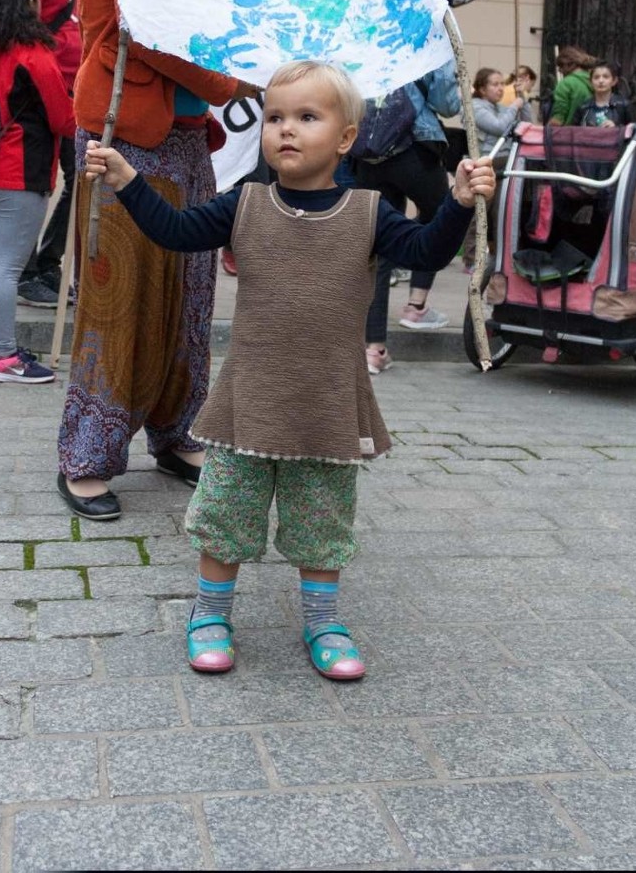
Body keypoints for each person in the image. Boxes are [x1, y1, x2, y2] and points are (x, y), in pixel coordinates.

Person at [86, 59, 495, 678]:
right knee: (224, 514)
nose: (286, 129)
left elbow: (424, 249)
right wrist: (127, 179)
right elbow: (172, 230)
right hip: (247, 403)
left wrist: (459, 202)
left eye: (307, 117)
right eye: (275, 116)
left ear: (346, 137)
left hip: (326, 404)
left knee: (321, 520)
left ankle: (324, 621)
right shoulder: (244, 205)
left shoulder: (367, 212)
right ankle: (209, 613)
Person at [56, 0, 255, 521]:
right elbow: (144, 28)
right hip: (127, 136)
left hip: (189, 140)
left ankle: (176, 433)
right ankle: (87, 454)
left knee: (190, 296)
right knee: (122, 298)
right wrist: (231, 80)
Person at [0, 0, 76, 383]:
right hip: (20, 172)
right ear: (30, 2)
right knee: (8, 269)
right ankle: (7, 358)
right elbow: (64, 119)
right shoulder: (32, 52)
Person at [349, 59, 462, 375]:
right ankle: (416, 306)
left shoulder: (366, 34)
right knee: (440, 218)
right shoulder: (427, 38)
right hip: (414, 147)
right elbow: (447, 103)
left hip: (367, 151)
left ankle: (373, 350)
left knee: (378, 248)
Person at [12, 0, 84, 308]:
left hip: (66, 93)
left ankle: (47, 264)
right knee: (37, 184)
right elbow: (21, 31)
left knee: (78, 178)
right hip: (44, 96)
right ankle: (27, 272)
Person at [462, 67, 533, 270]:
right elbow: (500, 126)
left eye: (502, 84)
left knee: (498, 213)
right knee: (480, 212)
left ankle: (495, 254)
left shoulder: (501, 107)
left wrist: (523, 99)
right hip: (483, 163)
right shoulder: (474, 106)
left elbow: (525, 124)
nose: (500, 88)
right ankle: (472, 258)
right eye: (495, 84)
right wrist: (514, 106)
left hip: (505, 163)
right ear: (482, 88)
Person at [575, 60, 636, 128]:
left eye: (606, 77)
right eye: (596, 77)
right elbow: (575, 132)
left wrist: (617, 127)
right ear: (590, 82)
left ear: (614, 81)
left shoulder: (623, 105)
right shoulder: (583, 107)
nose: (601, 81)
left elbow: (635, 131)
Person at [548, 46, 596, 125]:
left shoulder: (565, 84)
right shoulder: (593, 81)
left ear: (567, 64)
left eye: (560, 66)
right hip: (589, 132)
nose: (560, 71)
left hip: (569, 133)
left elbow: (558, 119)